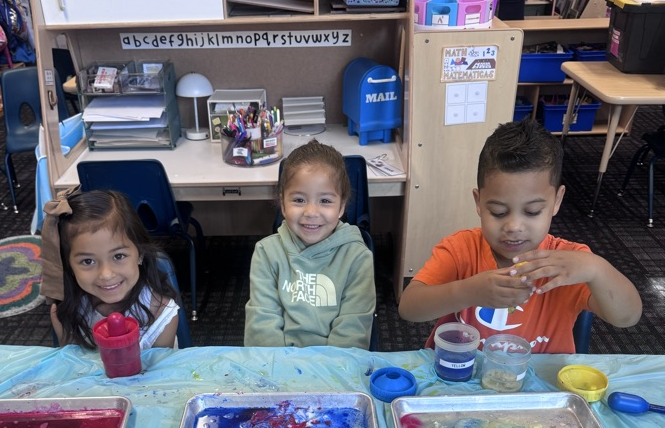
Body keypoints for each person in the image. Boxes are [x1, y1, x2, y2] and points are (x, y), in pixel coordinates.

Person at [398, 119, 642, 353]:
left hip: (538, 387)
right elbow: (409, 309)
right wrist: (468, 291)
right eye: (498, 212)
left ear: (557, 201)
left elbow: (627, 318)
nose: (514, 226)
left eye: (532, 211)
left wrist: (597, 269)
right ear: (479, 202)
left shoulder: (570, 262)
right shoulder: (461, 249)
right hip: (460, 376)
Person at [244, 139, 375, 349]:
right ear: (283, 205)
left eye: (325, 201)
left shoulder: (357, 257)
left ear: (341, 207)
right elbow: (262, 324)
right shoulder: (267, 252)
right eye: (298, 200)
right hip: (279, 367)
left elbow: (353, 327)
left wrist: (326, 371)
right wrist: (281, 370)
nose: (311, 213)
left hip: (333, 368)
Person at [41, 189, 180, 350]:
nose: (106, 274)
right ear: (68, 265)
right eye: (87, 261)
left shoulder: (161, 313)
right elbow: (73, 366)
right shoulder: (65, 312)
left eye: (118, 256)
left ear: (140, 253)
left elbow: (162, 373)